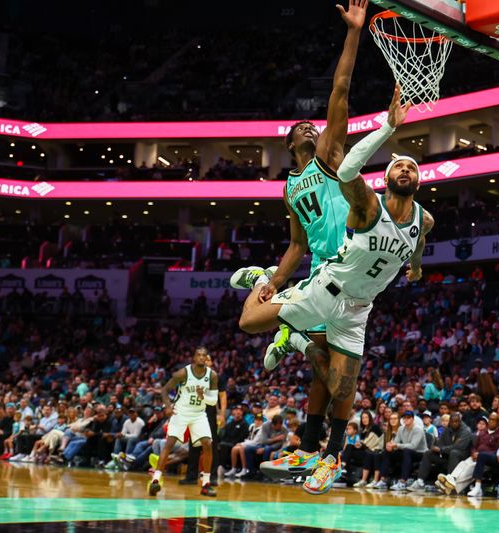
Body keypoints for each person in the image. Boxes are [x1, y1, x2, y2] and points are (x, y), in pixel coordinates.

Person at [239, 84, 430, 495]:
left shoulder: (423, 220)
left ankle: (322, 453)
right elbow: (345, 164)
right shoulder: (368, 204)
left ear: (419, 180)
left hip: (359, 305)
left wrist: (415, 267)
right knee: (250, 321)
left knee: (341, 385)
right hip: (330, 280)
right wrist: (386, 128)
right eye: (399, 166)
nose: (405, 171)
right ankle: (265, 282)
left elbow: (419, 243)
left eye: (411, 168)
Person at [230, 0, 369, 483]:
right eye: (301, 128)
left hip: (346, 269)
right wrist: (274, 279)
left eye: (314, 124)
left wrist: (353, 32)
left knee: (337, 372)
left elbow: (341, 89)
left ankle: (329, 450)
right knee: (314, 362)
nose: (311, 126)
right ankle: (312, 448)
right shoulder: (289, 187)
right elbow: (295, 245)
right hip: (315, 271)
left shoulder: (328, 157)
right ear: (290, 144)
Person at [148, 347, 218, 497]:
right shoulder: (183, 373)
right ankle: (155, 480)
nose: (201, 358)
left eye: (203, 355)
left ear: (206, 359)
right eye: (198, 355)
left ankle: (206, 484)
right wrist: (167, 406)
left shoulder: (212, 376)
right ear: (194, 357)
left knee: (207, 444)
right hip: (181, 412)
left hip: (199, 414)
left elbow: (213, 401)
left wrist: (202, 396)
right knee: (170, 443)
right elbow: (164, 390)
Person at [181, 351, 226, 486]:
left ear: (211, 363)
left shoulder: (215, 377)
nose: (205, 361)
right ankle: (191, 476)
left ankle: (212, 477)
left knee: (211, 444)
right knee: (194, 444)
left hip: (210, 412)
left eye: (208, 360)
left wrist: (222, 414)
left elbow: (222, 396)